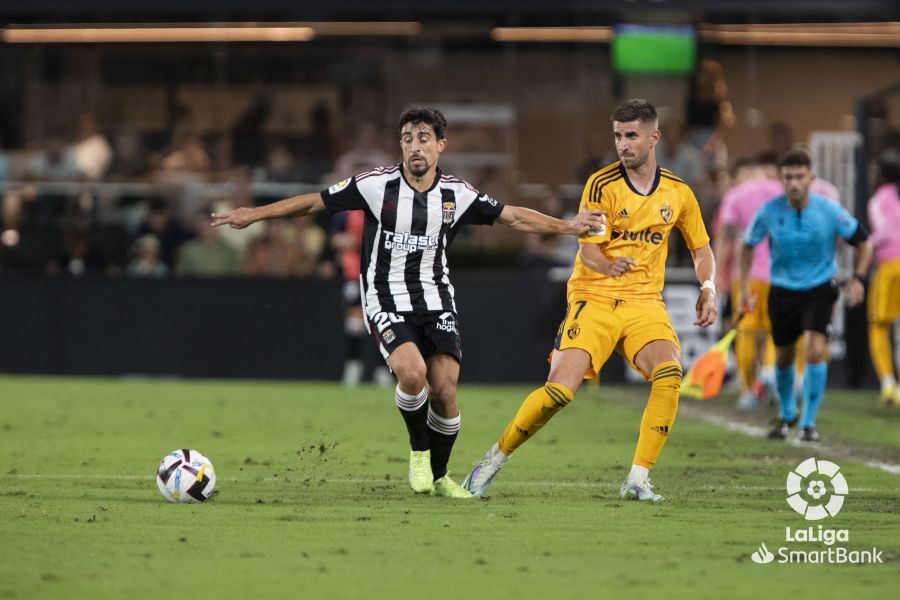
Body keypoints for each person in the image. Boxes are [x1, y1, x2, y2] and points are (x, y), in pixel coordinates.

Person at [211, 106, 603, 499]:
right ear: (400, 145)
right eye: (408, 139)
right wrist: (254, 213)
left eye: (423, 139)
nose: (415, 147)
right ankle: (419, 453)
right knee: (413, 374)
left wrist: (567, 226)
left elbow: (513, 217)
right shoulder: (374, 185)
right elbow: (315, 202)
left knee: (445, 391)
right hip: (385, 297)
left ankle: (440, 475)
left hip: (437, 300)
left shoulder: (457, 193)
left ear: (440, 146)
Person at [462, 99, 718, 502]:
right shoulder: (602, 185)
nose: (623, 144)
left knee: (669, 374)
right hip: (594, 297)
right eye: (618, 136)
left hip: (643, 302)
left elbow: (701, 248)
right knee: (559, 393)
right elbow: (589, 252)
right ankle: (493, 459)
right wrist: (609, 266)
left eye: (631, 135)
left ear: (655, 137)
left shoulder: (679, 192)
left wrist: (708, 288)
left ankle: (637, 477)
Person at [741, 149, 872, 442]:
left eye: (799, 176)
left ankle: (809, 423)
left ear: (811, 178)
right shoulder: (769, 211)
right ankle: (788, 413)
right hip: (782, 292)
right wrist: (743, 288)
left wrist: (859, 277)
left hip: (819, 289)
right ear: (781, 179)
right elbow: (747, 245)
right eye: (788, 177)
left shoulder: (830, 210)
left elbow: (864, 242)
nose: (794, 183)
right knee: (784, 357)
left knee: (814, 350)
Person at [867, 156, 900, 406]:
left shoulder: (879, 199)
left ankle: (889, 384)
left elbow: (885, 230)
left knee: (879, 326)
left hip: (890, 267)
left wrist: (866, 245)